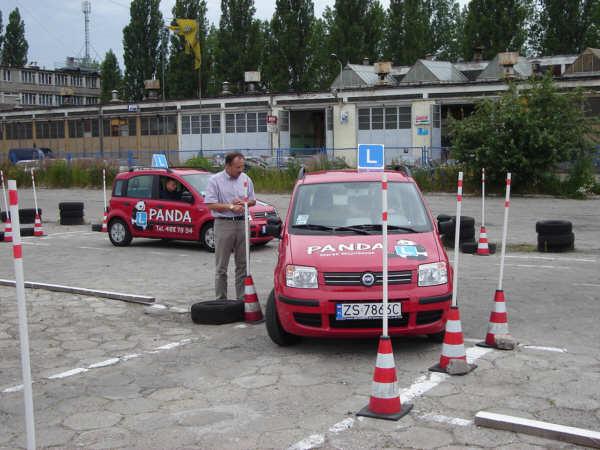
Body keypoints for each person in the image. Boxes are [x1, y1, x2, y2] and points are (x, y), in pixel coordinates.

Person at [204, 152, 256, 300]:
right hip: (223, 223)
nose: (240, 170)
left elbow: (253, 201)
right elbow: (210, 204)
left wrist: (244, 203)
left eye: (242, 167)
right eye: (237, 167)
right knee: (221, 266)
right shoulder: (215, 180)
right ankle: (221, 300)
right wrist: (230, 207)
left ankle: (242, 300)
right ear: (227, 166)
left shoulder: (246, 179)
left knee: (243, 264)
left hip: (242, 223)